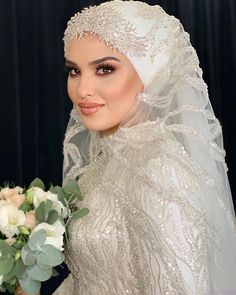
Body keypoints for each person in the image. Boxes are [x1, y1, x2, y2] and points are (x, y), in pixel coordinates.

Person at [53, 1, 236, 294]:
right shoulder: (102, 165)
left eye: (104, 69)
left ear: (153, 75)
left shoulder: (160, 173)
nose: (82, 89)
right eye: (74, 71)